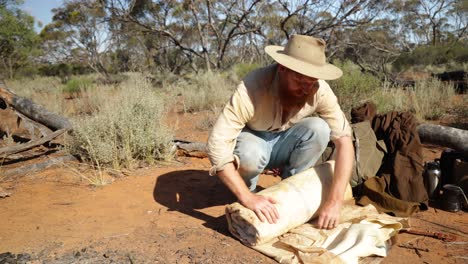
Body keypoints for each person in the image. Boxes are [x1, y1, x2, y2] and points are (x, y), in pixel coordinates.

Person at [207, 35, 354, 229]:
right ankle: (248, 193)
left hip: (284, 142)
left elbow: (344, 141)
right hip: (253, 141)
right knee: (251, 154)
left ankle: (290, 188)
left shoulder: (319, 90)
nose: (306, 88)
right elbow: (217, 145)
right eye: (300, 80)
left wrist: (334, 202)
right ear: (282, 68)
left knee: (319, 129)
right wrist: (248, 197)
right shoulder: (254, 86)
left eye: (312, 81)